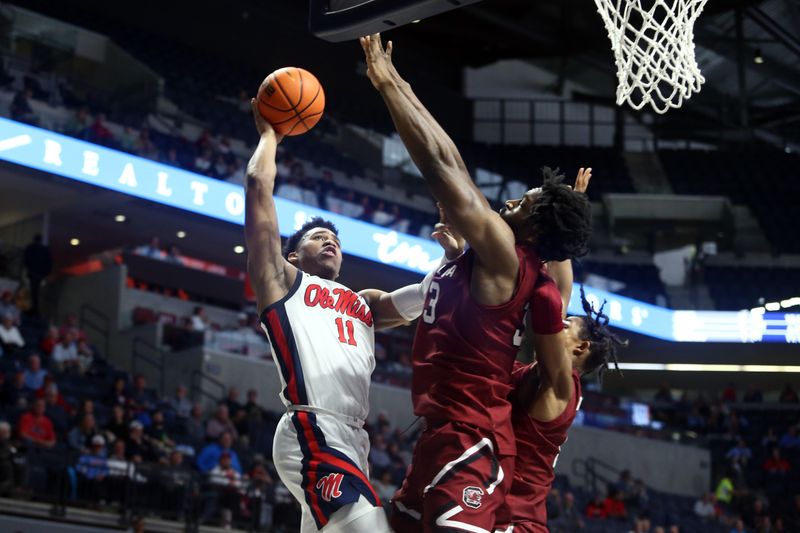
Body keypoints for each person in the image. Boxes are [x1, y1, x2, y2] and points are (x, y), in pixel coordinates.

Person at [361, 34, 592, 532]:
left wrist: (386, 85)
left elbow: (444, 167)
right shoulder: (488, 257)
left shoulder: (508, 257)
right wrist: (398, 81)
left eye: (524, 203)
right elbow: (455, 165)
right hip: (441, 432)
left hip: (473, 436)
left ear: (533, 226)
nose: (510, 203)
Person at [245, 93, 448, 532]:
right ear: (293, 257)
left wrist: (451, 260)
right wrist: (269, 135)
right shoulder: (283, 282)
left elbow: (422, 296)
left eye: (334, 237)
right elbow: (258, 189)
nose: (330, 240)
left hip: (354, 438)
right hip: (312, 427)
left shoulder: (364, 301)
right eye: (317, 237)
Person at [23, 234, 52, 316]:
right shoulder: (45, 250)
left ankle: (31, 310)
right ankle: (36, 311)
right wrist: (46, 274)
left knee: (32, 292)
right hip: (40, 275)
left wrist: (29, 269)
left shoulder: (30, 248)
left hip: (32, 274)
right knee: (38, 294)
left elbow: (26, 260)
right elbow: (49, 263)